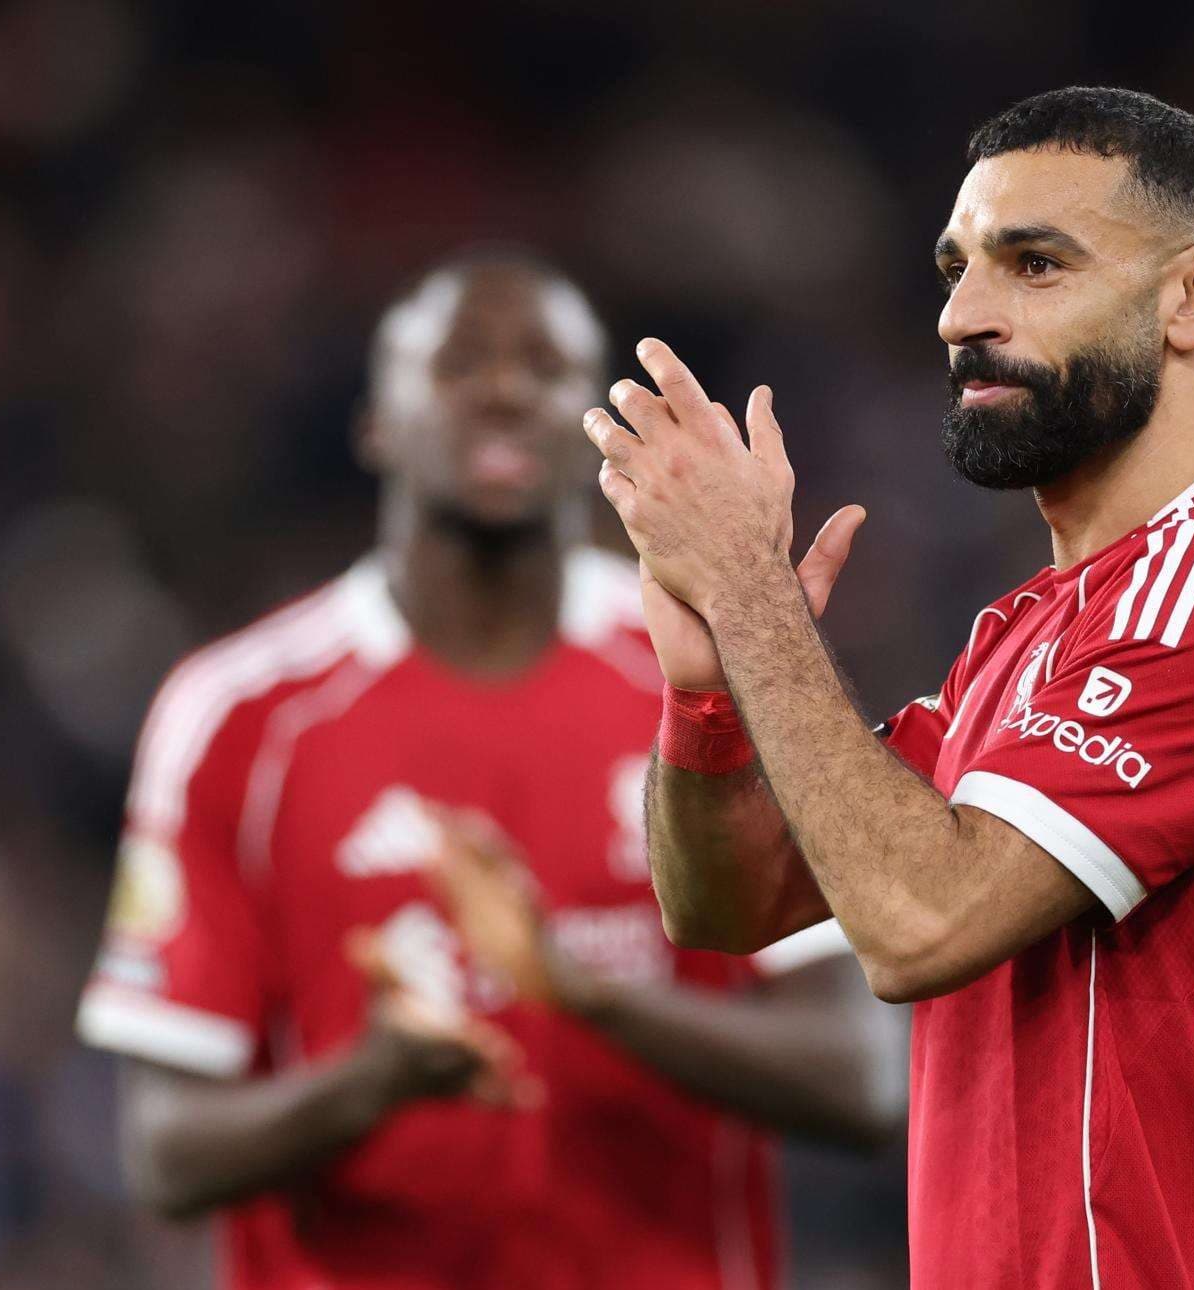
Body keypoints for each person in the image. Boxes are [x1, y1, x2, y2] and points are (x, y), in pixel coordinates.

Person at [583, 87, 1194, 1289]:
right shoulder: (1034, 630)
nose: (964, 317)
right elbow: (729, 904)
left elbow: (920, 923)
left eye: (1035, 265)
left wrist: (756, 600)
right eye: (956, 269)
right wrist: (711, 686)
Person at [74, 251, 905, 1290]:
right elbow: (167, 1151)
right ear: (377, 423)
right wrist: (372, 1081)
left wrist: (579, 993)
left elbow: (864, 1085)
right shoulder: (236, 715)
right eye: (459, 363)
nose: (506, 386)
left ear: (601, 433)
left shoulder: (713, 674)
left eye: (548, 368)